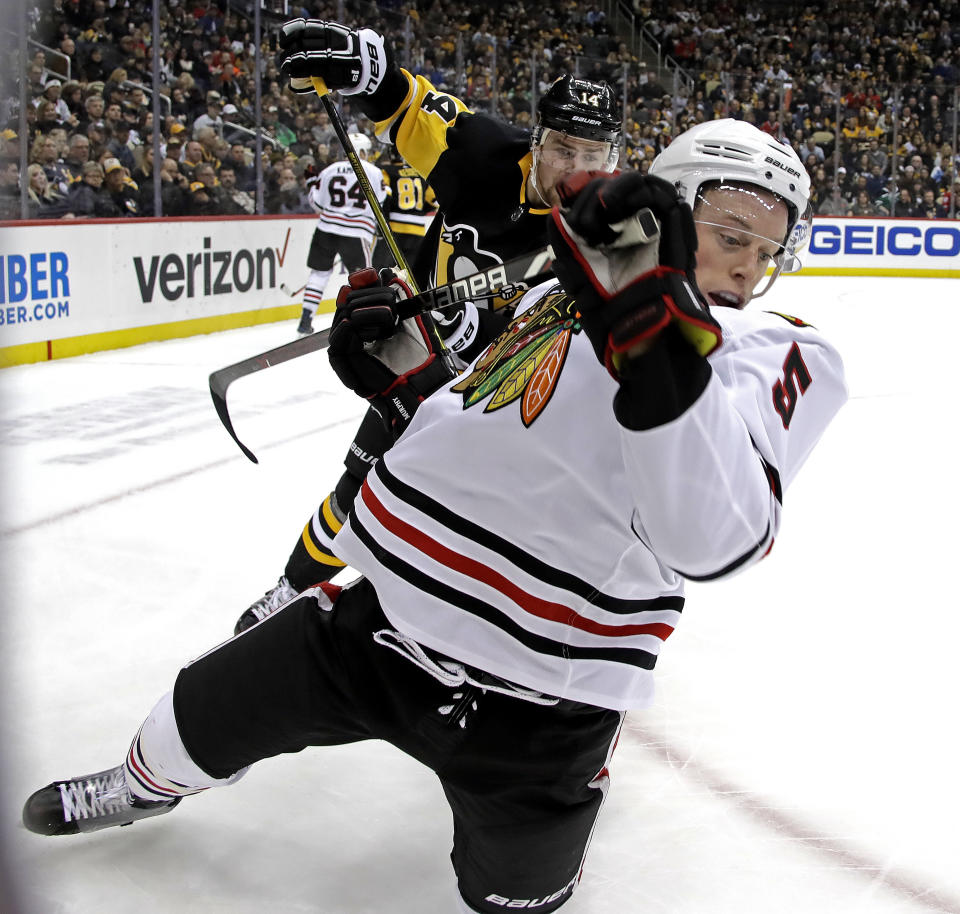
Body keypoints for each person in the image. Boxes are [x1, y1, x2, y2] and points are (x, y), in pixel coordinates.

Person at [22, 119, 847, 914]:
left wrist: (658, 339)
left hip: (543, 705)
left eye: (766, 251)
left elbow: (713, 538)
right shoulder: (557, 294)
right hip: (381, 625)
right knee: (197, 711)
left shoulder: (776, 350)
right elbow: (479, 417)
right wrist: (404, 378)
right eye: (730, 235)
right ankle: (142, 787)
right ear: (666, 205)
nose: (748, 268)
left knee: (513, 900)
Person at [233, 18, 623, 632]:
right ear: (538, 141)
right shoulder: (480, 154)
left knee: (491, 515)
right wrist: (365, 72)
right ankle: (291, 588)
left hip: (515, 383)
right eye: (563, 150)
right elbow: (405, 103)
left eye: (593, 155)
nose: (576, 168)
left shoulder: (615, 221)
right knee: (359, 484)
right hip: (429, 349)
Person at [294, 132, 387, 335]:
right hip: (356, 233)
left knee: (319, 274)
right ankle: (366, 321)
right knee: (364, 279)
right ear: (362, 150)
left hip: (326, 230)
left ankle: (305, 319)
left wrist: (311, 185)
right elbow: (379, 204)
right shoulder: (372, 171)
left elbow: (317, 204)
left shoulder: (330, 170)